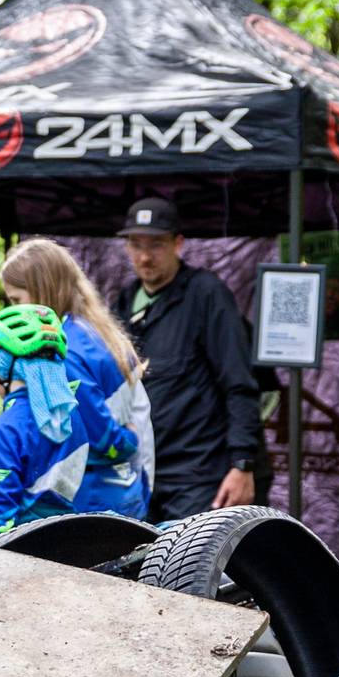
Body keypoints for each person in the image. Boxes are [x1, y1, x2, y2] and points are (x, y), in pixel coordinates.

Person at [109, 198, 261, 523]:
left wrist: (243, 464)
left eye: (157, 245)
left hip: (198, 476)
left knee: (189, 570)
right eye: (136, 245)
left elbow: (240, 383)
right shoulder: (122, 303)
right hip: (140, 472)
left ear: (178, 243)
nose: (145, 257)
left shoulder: (207, 294)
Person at [0, 238, 151, 520]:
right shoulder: (96, 332)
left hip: (89, 504)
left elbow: (99, 438)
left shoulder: (63, 351)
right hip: (124, 491)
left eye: (16, 300)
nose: (13, 312)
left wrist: (129, 438)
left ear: (41, 291)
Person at [0, 303, 136, 537]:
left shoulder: (1, 432)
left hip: (18, 559)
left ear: (1, 369)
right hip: (66, 546)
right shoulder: (72, 421)